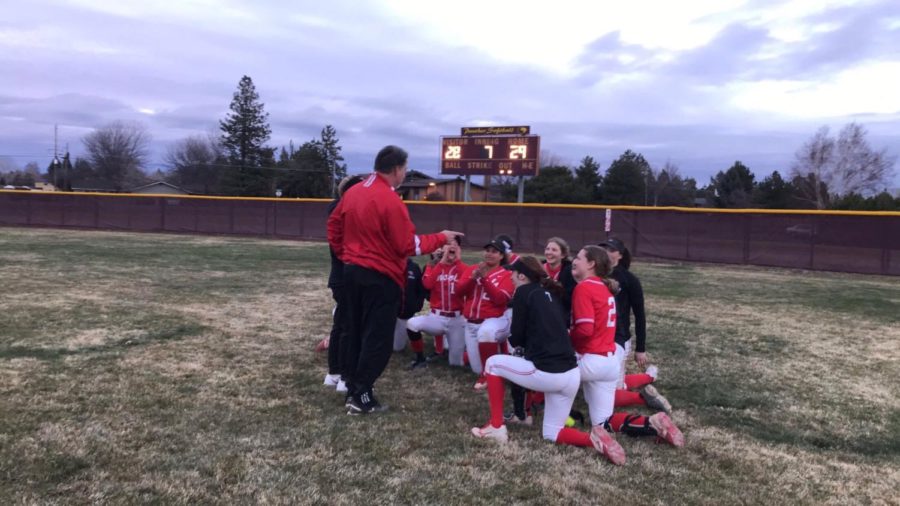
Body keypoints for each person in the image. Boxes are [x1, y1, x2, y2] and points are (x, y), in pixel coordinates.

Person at [327, 145, 463, 415]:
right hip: (379, 276)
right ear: (397, 169)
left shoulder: (354, 191)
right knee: (376, 337)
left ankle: (353, 386)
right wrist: (440, 237)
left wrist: (347, 256)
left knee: (354, 331)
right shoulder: (389, 200)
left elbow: (334, 226)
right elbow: (407, 245)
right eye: (404, 168)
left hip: (352, 272)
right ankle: (362, 393)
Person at [470, 256, 625, 465]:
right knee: (552, 433)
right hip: (571, 373)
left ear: (522, 276)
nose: (510, 278)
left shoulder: (524, 292)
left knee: (493, 364)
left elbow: (516, 338)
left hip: (550, 373)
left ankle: (496, 427)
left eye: (512, 274)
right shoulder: (552, 292)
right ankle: (595, 440)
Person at [599, 238, 672, 413]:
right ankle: (649, 375)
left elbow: (640, 315)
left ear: (620, 255)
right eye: (604, 248)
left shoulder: (629, 279)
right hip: (598, 337)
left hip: (618, 338)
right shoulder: (594, 274)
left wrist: (640, 348)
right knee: (601, 383)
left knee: (613, 394)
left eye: (611, 249)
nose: (607, 252)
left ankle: (646, 397)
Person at [569, 245, 623, 435]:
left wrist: (566, 336)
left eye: (578, 257)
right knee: (602, 424)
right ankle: (650, 424)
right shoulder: (604, 286)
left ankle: (539, 416)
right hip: (610, 361)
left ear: (591, 264)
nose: (574, 261)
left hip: (591, 359)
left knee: (549, 372)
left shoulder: (584, 287)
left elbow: (584, 329)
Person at [322, 175, 365, 393]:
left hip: (340, 277)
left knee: (341, 325)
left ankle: (334, 373)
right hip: (348, 276)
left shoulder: (337, 209)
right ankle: (345, 377)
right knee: (350, 328)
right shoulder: (344, 212)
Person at [455, 237, 514, 390]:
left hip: (494, 320)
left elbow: (501, 299)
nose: (489, 254)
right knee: (476, 367)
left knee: (486, 333)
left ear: (501, 256)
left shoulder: (506, 274)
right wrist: (473, 279)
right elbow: (459, 292)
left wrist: (485, 279)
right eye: (487, 251)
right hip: (471, 323)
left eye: (494, 252)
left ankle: (489, 374)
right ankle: (498, 362)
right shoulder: (473, 269)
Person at [406, 235, 467, 368]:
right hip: (437, 317)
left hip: (456, 319)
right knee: (412, 324)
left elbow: (466, 286)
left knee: (456, 363)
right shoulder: (434, 266)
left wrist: (458, 262)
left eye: (454, 244)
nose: (451, 247)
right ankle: (420, 358)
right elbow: (427, 285)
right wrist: (440, 262)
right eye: (448, 244)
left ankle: (467, 351)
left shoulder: (463, 268)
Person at [392, 258, 427, 361]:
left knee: (397, 348)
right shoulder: (388, 263)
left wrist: (417, 305)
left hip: (405, 313)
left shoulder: (414, 268)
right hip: (388, 313)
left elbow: (421, 290)